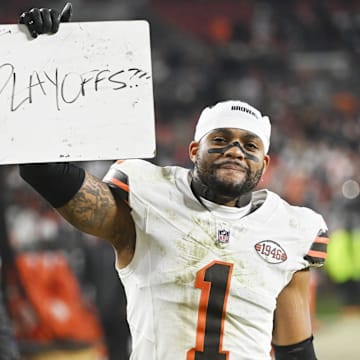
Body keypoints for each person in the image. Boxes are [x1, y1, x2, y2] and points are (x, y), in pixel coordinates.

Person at [17, 4, 329, 359]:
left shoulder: (293, 228)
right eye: (221, 139)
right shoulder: (149, 198)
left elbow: (296, 350)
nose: (235, 150)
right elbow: (41, 171)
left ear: (265, 162)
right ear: (194, 149)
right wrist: (41, 57)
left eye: (250, 144)